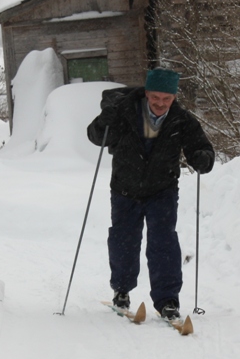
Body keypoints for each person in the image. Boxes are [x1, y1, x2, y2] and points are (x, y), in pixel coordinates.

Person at [86, 68, 214, 320]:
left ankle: (167, 300)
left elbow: (202, 147)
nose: (160, 103)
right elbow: (95, 136)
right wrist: (105, 119)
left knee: (164, 243)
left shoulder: (182, 120)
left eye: (166, 99)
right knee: (124, 240)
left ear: (174, 97)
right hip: (125, 188)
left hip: (162, 190)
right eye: (155, 97)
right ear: (146, 93)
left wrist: (203, 158)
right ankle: (121, 290)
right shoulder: (123, 111)